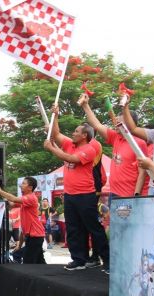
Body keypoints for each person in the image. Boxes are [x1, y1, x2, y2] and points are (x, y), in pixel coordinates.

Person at [43, 108, 110, 273]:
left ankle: (107, 259)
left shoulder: (90, 149)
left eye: (76, 131)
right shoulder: (69, 144)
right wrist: (56, 115)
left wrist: (51, 149)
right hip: (70, 195)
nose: (73, 133)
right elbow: (56, 134)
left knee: (93, 227)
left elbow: (71, 159)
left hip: (85, 195)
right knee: (73, 229)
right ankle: (78, 259)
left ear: (84, 135)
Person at [79, 93, 149, 199]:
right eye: (117, 122)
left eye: (120, 123)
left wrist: (136, 195)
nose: (116, 125)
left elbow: (142, 172)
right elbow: (97, 125)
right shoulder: (116, 137)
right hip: (114, 194)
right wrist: (85, 105)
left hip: (129, 195)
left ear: (130, 123)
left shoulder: (139, 143)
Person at [0, 178, 46, 264]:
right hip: (33, 236)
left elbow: (13, 199)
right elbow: (11, 203)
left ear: (30, 187)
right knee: (39, 262)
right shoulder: (24, 201)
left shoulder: (31, 198)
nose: (20, 185)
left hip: (36, 236)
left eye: (23, 183)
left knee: (28, 262)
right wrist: (19, 244)